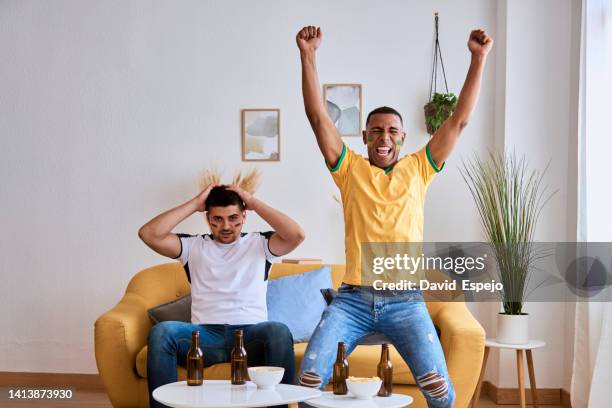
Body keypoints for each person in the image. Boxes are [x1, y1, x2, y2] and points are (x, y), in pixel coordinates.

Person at [294, 25, 493, 407]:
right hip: (352, 301)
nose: (384, 137)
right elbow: (318, 118)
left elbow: (459, 121)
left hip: (406, 302)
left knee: (439, 391)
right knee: (308, 382)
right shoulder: (348, 169)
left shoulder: (420, 168)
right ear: (365, 136)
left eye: (392, 131)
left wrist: (478, 59)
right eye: (376, 131)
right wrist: (308, 54)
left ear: (402, 139)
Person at [139, 179, 305, 408]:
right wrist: (196, 203)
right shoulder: (192, 247)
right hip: (205, 336)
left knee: (278, 331)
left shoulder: (261, 244)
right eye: (217, 219)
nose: (226, 226)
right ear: (207, 218)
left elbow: (296, 235)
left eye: (233, 218)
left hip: (250, 336)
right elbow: (149, 234)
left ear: (244, 216)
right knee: (161, 332)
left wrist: (253, 202)